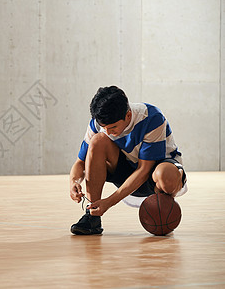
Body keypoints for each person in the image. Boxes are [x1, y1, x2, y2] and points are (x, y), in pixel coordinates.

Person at [69, 86, 187, 235]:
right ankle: (92, 216)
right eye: (104, 127)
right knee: (98, 140)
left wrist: (109, 201)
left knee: (165, 175)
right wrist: (74, 182)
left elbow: (144, 170)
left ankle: (162, 208)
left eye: (113, 127)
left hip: (155, 174)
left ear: (128, 115)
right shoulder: (99, 124)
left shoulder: (151, 118)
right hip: (128, 172)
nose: (108, 132)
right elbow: (80, 162)